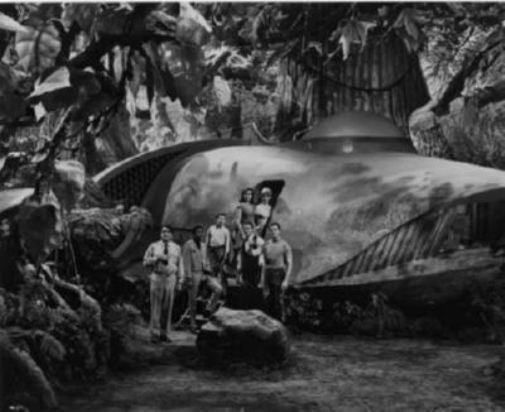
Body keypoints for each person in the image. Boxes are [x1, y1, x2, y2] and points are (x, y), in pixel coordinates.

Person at [143, 226, 184, 343]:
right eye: (163, 232)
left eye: (168, 232)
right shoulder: (154, 246)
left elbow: (180, 264)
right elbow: (145, 262)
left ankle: (164, 334)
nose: (165, 234)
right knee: (156, 307)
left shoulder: (176, 247)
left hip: (170, 278)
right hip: (157, 277)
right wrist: (156, 258)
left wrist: (180, 280)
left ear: (172, 235)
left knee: (168, 307)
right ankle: (154, 334)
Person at [182, 225, 223, 332]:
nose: (200, 234)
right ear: (193, 234)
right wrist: (188, 277)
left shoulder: (204, 245)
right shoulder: (188, 245)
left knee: (218, 289)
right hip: (193, 273)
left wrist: (208, 269)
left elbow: (206, 260)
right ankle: (192, 324)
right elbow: (186, 262)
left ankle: (208, 309)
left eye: (201, 232)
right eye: (198, 232)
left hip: (204, 273)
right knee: (192, 300)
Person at [261, 222, 293, 321]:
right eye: (271, 230)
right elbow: (263, 260)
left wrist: (286, 280)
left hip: (279, 273)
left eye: (275, 230)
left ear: (279, 231)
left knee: (277, 300)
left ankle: (280, 322)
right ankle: (269, 323)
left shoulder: (285, 245)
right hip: (268, 273)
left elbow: (289, 263)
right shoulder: (266, 244)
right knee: (267, 298)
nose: (273, 232)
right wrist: (263, 278)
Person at [206, 213, 231, 288]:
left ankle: (222, 288)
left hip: (221, 250)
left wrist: (226, 253)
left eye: (223, 219)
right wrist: (206, 250)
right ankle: (213, 288)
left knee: (221, 269)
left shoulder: (226, 230)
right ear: (216, 219)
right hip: (212, 249)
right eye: (220, 218)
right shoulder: (211, 228)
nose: (221, 220)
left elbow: (227, 243)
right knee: (212, 269)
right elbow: (207, 240)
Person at [237, 220, 265, 287]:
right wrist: (239, 270)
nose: (246, 230)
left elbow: (262, 251)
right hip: (245, 271)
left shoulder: (257, 240)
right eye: (245, 229)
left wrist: (254, 253)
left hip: (254, 271)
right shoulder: (244, 240)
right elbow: (241, 255)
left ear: (252, 230)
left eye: (248, 228)